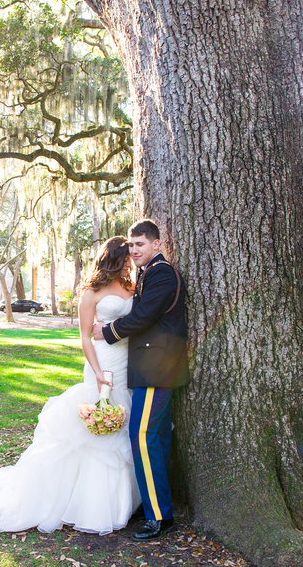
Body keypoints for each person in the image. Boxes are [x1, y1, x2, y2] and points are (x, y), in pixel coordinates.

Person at [0, 237, 141, 534]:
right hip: (103, 362)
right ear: (112, 258)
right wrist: (97, 372)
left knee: (123, 422)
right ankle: (90, 505)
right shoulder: (92, 292)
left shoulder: (132, 286)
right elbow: (85, 337)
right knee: (98, 430)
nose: (128, 262)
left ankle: (122, 501)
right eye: (124, 258)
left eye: (130, 259)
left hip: (127, 362)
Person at [92, 219, 188, 540]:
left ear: (156, 245)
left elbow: (143, 315)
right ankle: (160, 510)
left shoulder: (163, 273)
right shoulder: (147, 274)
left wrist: (107, 332)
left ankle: (158, 517)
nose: (134, 251)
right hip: (152, 369)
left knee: (143, 438)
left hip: (157, 369)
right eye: (131, 246)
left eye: (140, 245)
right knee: (155, 440)